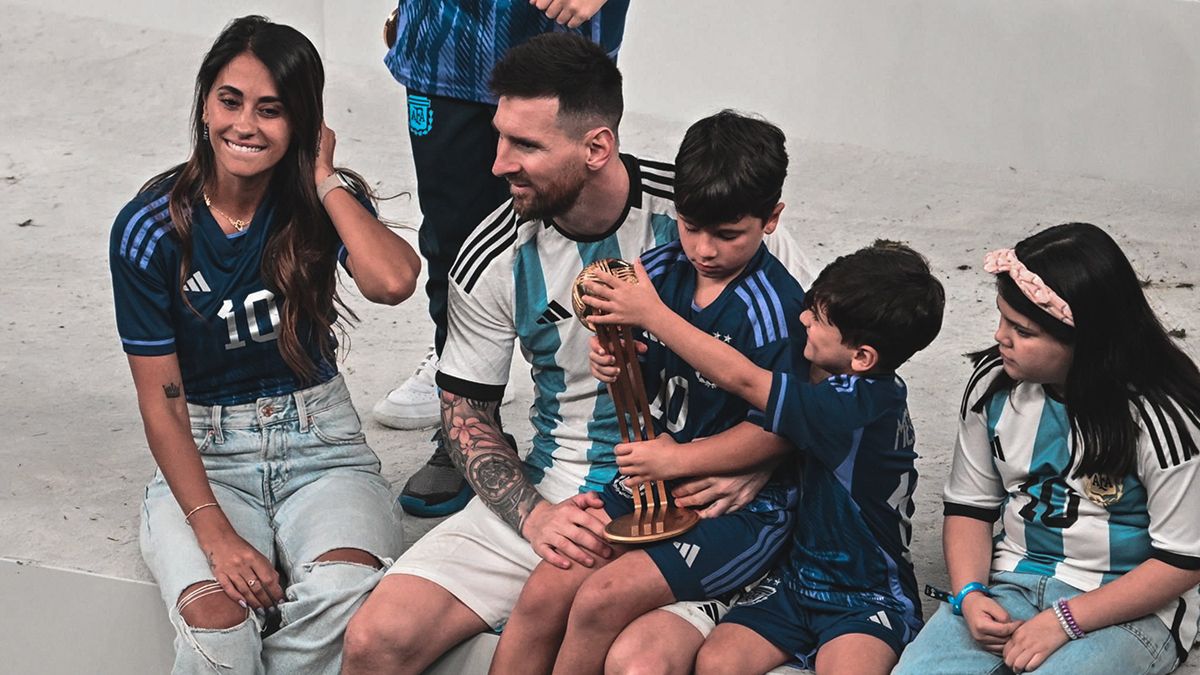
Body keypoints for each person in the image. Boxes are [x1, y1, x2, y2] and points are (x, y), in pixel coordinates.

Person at [341, 33, 812, 674]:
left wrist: (763, 460)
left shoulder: (705, 212)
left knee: (634, 663)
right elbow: (464, 415)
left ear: (596, 147)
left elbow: (825, 369)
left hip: (702, 498)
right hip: (561, 487)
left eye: (526, 145)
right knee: (376, 641)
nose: (498, 164)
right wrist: (534, 517)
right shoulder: (492, 254)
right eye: (500, 137)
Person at [108, 16, 420, 674]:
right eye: (230, 101)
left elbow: (393, 281)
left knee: (342, 597)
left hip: (324, 451)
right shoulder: (151, 227)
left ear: (302, 121)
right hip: (207, 455)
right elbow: (162, 401)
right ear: (204, 106)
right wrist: (214, 532)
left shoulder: (319, 203)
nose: (245, 125)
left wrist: (325, 178)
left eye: (272, 110)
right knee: (219, 624)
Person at [489, 111, 806, 675]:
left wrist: (677, 459)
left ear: (772, 219)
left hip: (739, 507)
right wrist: (613, 363)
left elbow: (783, 428)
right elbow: (633, 369)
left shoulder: (774, 311)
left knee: (600, 599)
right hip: (653, 483)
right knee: (545, 592)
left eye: (727, 235)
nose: (704, 249)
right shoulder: (656, 271)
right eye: (690, 226)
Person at [584, 240, 945, 674]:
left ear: (863, 357)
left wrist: (652, 316)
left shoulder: (854, 406)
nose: (802, 318)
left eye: (819, 319)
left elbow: (745, 380)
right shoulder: (844, 384)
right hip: (794, 580)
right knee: (718, 662)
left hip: (863, 591)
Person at [894, 222, 1200, 675]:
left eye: (1023, 330)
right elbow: (969, 508)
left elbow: (1182, 560)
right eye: (1002, 318)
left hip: (1127, 607)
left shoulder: (1162, 417)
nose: (1000, 337)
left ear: (1085, 341)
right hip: (1012, 583)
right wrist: (970, 593)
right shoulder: (993, 387)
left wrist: (1064, 621)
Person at [375, 0, 631, 518]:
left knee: (574, 215)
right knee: (453, 241)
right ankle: (466, 407)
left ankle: (611, 416)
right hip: (445, 41)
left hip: (560, 37)